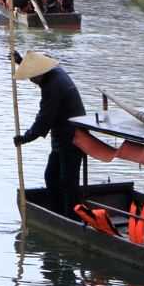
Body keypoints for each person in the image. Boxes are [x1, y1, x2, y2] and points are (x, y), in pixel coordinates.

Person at [11, 50, 87, 219]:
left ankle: (72, 220)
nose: (31, 80)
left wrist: (26, 137)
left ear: (41, 73)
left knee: (68, 182)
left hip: (72, 138)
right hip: (61, 137)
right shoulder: (54, 73)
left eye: (32, 77)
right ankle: (60, 215)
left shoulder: (53, 87)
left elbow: (45, 117)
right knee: (52, 177)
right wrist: (20, 61)